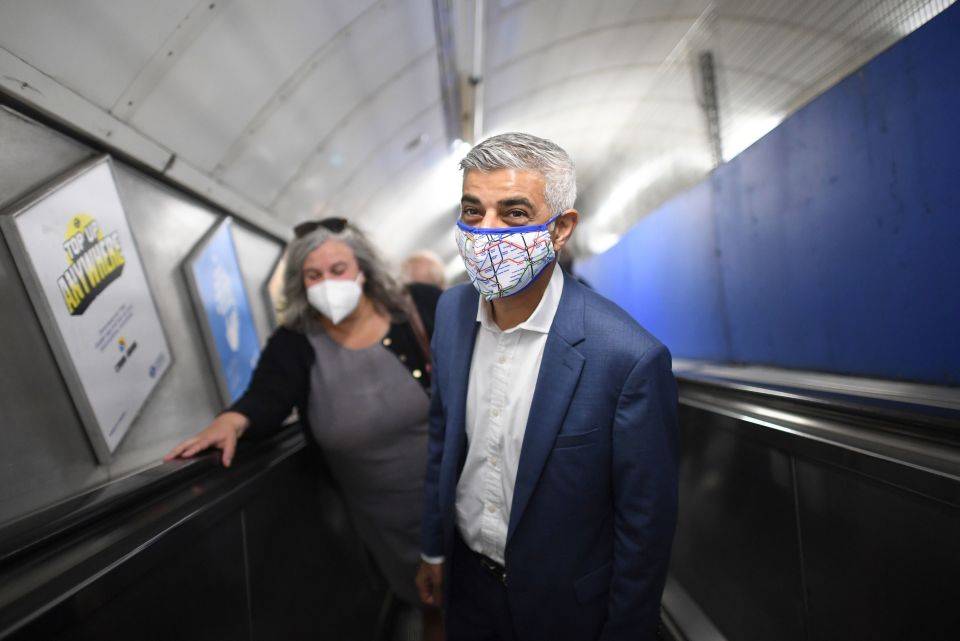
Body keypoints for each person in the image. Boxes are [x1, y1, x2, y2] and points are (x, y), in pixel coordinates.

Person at [414, 133, 679, 641]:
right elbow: (442, 438)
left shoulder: (627, 359)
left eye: (513, 213)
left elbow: (644, 528)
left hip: (566, 610)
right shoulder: (450, 313)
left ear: (560, 228)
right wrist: (433, 548)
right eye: (473, 211)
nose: (485, 232)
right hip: (468, 586)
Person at [165, 217, 442, 636]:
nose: (327, 283)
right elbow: (268, 395)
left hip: (462, 495)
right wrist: (229, 421)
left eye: (337, 270)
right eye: (313, 275)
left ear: (362, 271)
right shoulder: (295, 342)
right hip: (386, 519)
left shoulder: (420, 307)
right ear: (301, 284)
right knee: (432, 605)